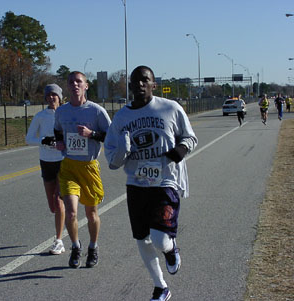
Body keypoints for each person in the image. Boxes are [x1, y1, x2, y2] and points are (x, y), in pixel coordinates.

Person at [104, 66, 197, 301]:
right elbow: (112, 160)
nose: (140, 84)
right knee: (142, 239)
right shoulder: (122, 117)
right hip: (136, 184)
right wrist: (122, 151)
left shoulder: (170, 108)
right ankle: (161, 287)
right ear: (130, 86)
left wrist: (181, 149)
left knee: (160, 239)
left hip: (166, 181)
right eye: (135, 81)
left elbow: (190, 136)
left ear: (154, 85)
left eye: (145, 80)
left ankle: (170, 248)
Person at [54, 71, 111, 268]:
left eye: (79, 82)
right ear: (68, 87)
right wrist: (60, 141)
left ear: (86, 86)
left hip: (89, 167)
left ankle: (93, 247)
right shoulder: (61, 111)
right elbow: (57, 130)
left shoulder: (96, 111)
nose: (75, 85)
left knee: (91, 213)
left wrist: (91, 133)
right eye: (71, 82)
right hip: (69, 166)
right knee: (70, 212)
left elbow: (110, 136)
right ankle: (76, 246)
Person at [26, 84, 66, 255]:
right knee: (52, 206)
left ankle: (59, 240)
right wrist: (45, 140)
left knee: (59, 201)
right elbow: (29, 139)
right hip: (46, 162)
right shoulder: (40, 116)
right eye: (48, 95)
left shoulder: (66, 114)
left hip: (63, 162)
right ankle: (61, 216)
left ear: (60, 97)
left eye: (54, 95)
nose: (51, 98)